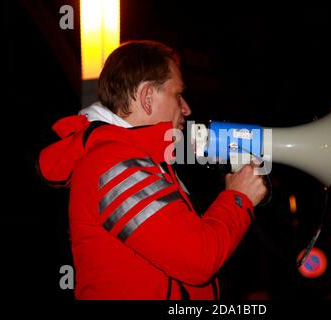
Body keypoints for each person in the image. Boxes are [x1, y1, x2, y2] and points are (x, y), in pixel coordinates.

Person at [38, 40, 267, 300]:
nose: (186, 108)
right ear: (147, 97)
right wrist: (238, 198)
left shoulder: (137, 159)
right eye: (178, 95)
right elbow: (196, 260)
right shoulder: (114, 164)